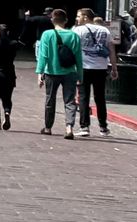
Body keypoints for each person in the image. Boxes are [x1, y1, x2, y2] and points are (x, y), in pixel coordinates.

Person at [35, 9, 81, 139]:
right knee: (70, 100)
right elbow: (78, 58)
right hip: (70, 72)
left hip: (52, 72)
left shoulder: (47, 35)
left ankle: (48, 127)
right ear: (66, 20)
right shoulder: (73, 36)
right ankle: (69, 127)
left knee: (50, 98)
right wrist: (80, 75)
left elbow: (43, 56)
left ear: (52, 20)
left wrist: (40, 72)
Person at [72, 8, 115, 137]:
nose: (77, 18)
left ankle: (84, 126)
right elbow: (111, 49)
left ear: (85, 17)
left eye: (79, 16)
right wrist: (114, 67)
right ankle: (103, 127)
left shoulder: (77, 30)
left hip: (84, 67)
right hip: (101, 67)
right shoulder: (104, 30)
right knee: (100, 97)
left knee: (83, 97)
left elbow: (72, 49)